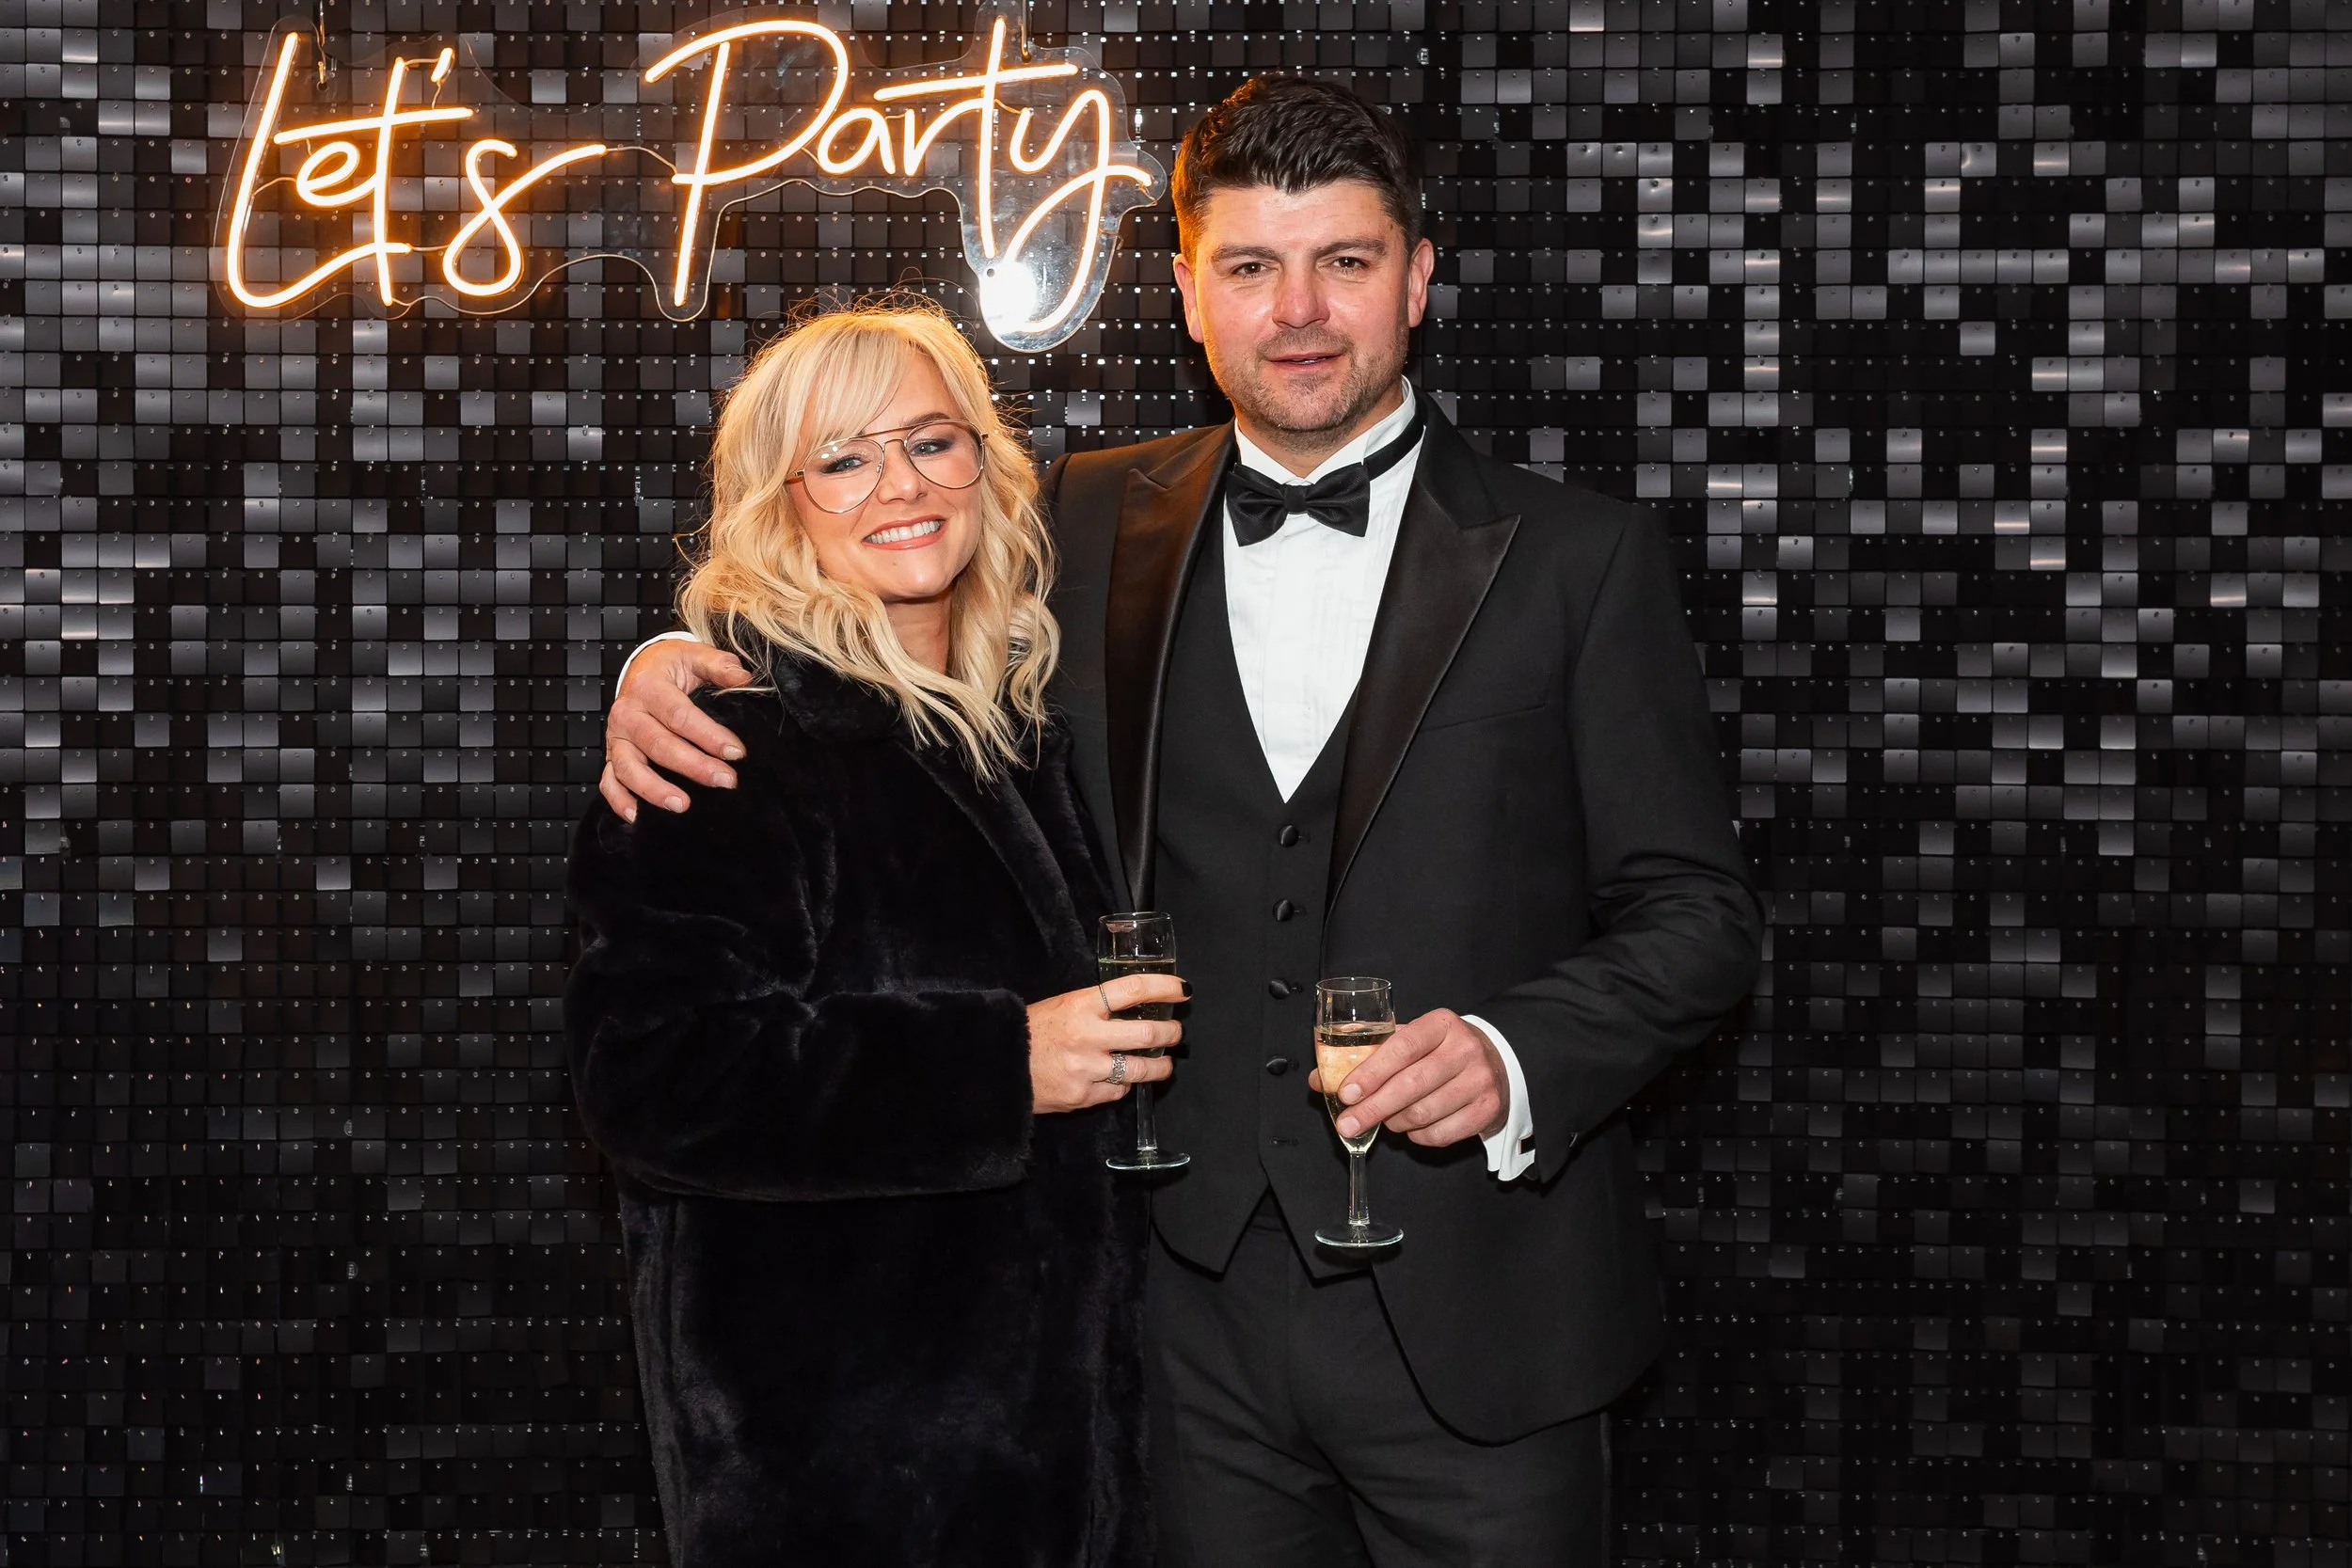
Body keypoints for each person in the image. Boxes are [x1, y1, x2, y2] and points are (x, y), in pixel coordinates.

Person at [603, 80, 1764, 1566]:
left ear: (1417, 276)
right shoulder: (1086, 522)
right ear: (1188, 294)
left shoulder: (1582, 560)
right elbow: (870, 615)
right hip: (1177, 1333)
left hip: (1488, 1330)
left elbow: (1700, 916)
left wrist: (1517, 1050)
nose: (1298, 311)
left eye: (1343, 261)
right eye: (1249, 266)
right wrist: (670, 663)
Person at [564, 298, 1180, 1567]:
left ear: (985, 466)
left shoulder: (1013, 729)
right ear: (782, 507)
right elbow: (653, 1079)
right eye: (843, 458)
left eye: (931, 441)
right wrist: (996, 1065)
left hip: (1050, 1459)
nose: (899, 481)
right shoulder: (731, 743)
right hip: (840, 1480)